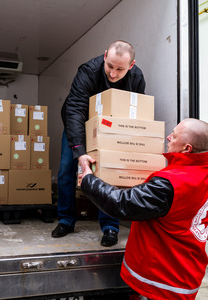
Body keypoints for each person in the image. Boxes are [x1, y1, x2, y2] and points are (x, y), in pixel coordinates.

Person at [79, 118, 208, 299]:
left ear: (187, 149)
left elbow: (121, 204)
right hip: (186, 273)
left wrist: (88, 179)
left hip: (161, 280)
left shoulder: (171, 183)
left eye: (174, 136)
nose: (168, 137)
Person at [53, 40, 146, 247]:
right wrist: (79, 151)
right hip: (78, 125)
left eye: (120, 69)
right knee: (66, 171)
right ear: (105, 56)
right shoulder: (88, 71)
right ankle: (66, 220)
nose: (113, 74)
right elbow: (75, 109)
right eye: (110, 66)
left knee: (109, 174)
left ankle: (110, 226)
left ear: (131, 65)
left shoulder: (137, 78)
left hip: (111, 129)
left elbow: (136, 110)